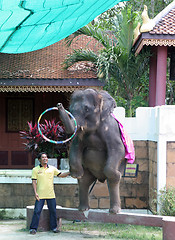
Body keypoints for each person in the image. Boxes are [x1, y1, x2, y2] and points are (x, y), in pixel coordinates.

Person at [29, 152, 70, 235]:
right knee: (37, 211)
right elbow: (34, 182)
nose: (45, 159)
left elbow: (61, 175)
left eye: (46, 157)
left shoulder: (52, 168)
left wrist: (70, 172)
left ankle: (54, 228)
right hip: (40, 195)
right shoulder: (35, 170)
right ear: (39, 159)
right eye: (43, 157)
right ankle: (33, 228)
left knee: (53, 211)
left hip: (51, 194)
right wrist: (35, 193)